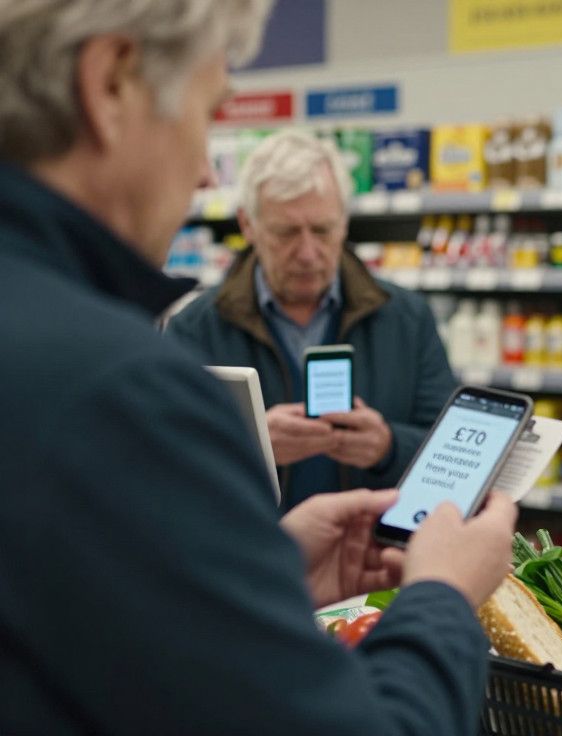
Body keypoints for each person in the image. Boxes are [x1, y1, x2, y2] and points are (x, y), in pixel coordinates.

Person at [0, 2, 515, 733]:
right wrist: (441, 595)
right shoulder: (119, 385)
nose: (204, 166)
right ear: (109, 83)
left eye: (323, 229)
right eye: (209, 113)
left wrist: (264, 567)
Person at [167, 130, 458, 511]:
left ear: (344, 222)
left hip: (373, 561)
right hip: (250, 562)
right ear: (247, 225)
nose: (307, 252)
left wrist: (388, 447)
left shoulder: (407, 319)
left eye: (322, 230)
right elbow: (165, 465)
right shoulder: (195, 329)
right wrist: (252, 446)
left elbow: (453, 461)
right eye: (286, 232)